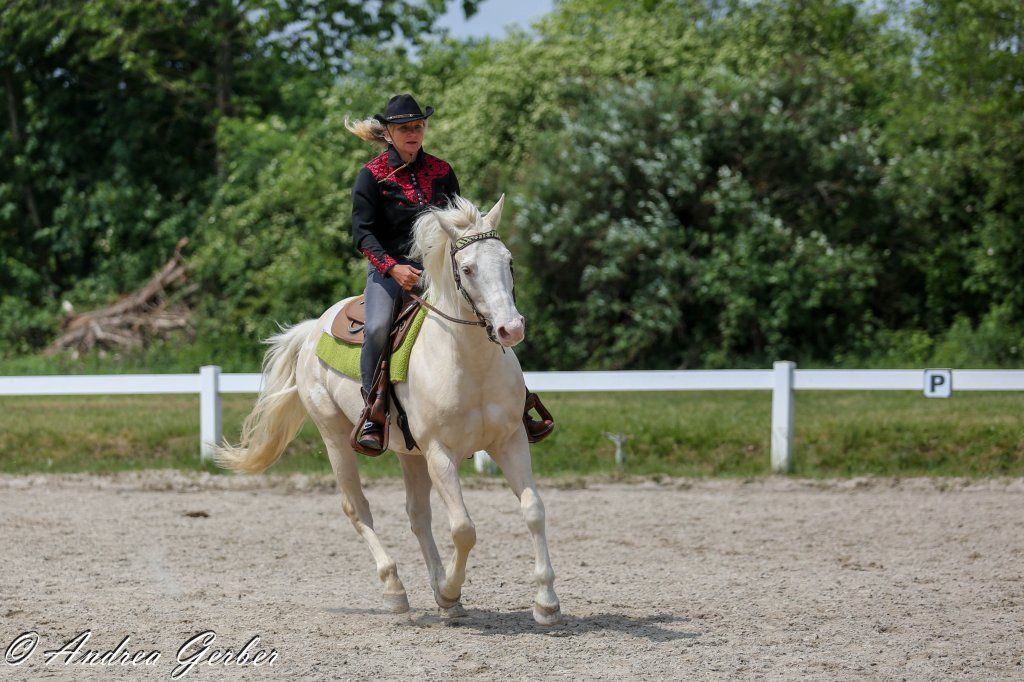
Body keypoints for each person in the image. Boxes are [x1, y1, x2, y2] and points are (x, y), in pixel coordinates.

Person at [345, 93, 553, 453]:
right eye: (405, 128)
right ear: (389, 133)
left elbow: (460, 225)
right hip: (389, 272)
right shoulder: (371, 177)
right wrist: (393, 268)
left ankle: (515, 402)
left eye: (419, 126)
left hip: (442, 271)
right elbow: (362, 234)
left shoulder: (442, 171)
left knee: (487, 309)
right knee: (378, 327)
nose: (413, 133)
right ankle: (373, 411)